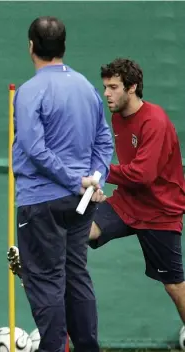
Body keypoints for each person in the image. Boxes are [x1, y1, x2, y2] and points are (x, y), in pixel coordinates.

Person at [7, 16, 114, 352]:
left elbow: (34, 149)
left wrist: (80, 180)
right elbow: (104, 142)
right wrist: (94, 180)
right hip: (79, 203)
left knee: (46, 280)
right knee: (75, 275)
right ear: (63, 46)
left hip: (41, 203)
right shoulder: (87, 88)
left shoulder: (29, 92)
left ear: (30, 47)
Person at [87, 58, 185, 324]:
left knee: (174, 286)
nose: (106, 93)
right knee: (83, 228)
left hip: (160, 212)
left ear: (132, 88)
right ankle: (39, 266)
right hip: (128, 203)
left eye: (114, 87)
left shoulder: (155, 121)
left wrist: (99, 173)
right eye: (105, 86)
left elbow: (143, 175)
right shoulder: (117, 117)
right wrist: (99, 184)